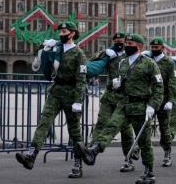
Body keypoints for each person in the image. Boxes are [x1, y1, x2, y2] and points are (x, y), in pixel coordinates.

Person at [76, 33, 164, 184]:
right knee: (110, 126)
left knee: (144, 141)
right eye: (126, 43)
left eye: (131, 43)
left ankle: (149, 172)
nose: (127, 45)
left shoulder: (149, 63)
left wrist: (153, 106)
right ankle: (93, 151)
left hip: (142, 106)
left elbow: (158, 86)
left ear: (139, 46)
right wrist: (118, 84)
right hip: (124, 103)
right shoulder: (122, 63)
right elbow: (123, 83)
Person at [15, 21, 87, 178]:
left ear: (73, 33)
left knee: (74, 130)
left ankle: (77, 164)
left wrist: (78, 101)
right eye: (60, 32)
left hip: (71, 93)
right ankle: (31, 156)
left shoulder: (79, 54)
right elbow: (37, 53)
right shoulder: (57, 48)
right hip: (55, 91)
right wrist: (44, 45)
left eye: (64, 32)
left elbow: (81, 79)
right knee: (44, 122)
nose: (61, 34)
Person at [89, 32, 136, 173]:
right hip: (110, 95)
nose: (119, 44)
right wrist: (105, 52)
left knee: (125, 129)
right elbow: (93, 61)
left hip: (124, 96)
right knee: (101, 122)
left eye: (122, 41)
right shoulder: (110, 53)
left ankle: (129, 158)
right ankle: (91, 151)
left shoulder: (131, 56)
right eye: (116, 41)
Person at [147, 37, 176, 167]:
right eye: (152, 47)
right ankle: (143, 151)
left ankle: (167, 153)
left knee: (164, 128)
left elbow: (173, 83)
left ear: (162, 48)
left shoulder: (169, 63)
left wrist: (171, 100)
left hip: (164, 99)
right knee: (145, 126)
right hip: (149, 99)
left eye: (157, 47)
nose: (154, 49)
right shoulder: (147, 61)